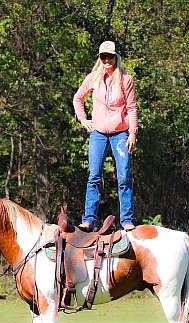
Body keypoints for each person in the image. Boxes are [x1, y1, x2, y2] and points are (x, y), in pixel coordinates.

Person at [73, 40, 139, 232]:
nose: (106, 60)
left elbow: (132, 108)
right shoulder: (93, 78)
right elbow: (78, 98)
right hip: (98, 133)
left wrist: (132, 133)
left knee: (124, 176)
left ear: (115, 57)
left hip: (120, 134)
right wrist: (84, 120)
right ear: (99, 58)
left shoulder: (126, 80)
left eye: (109, 56)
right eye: (103, 57)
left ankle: (126, 220)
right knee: (94, 175)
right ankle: (89, 219)